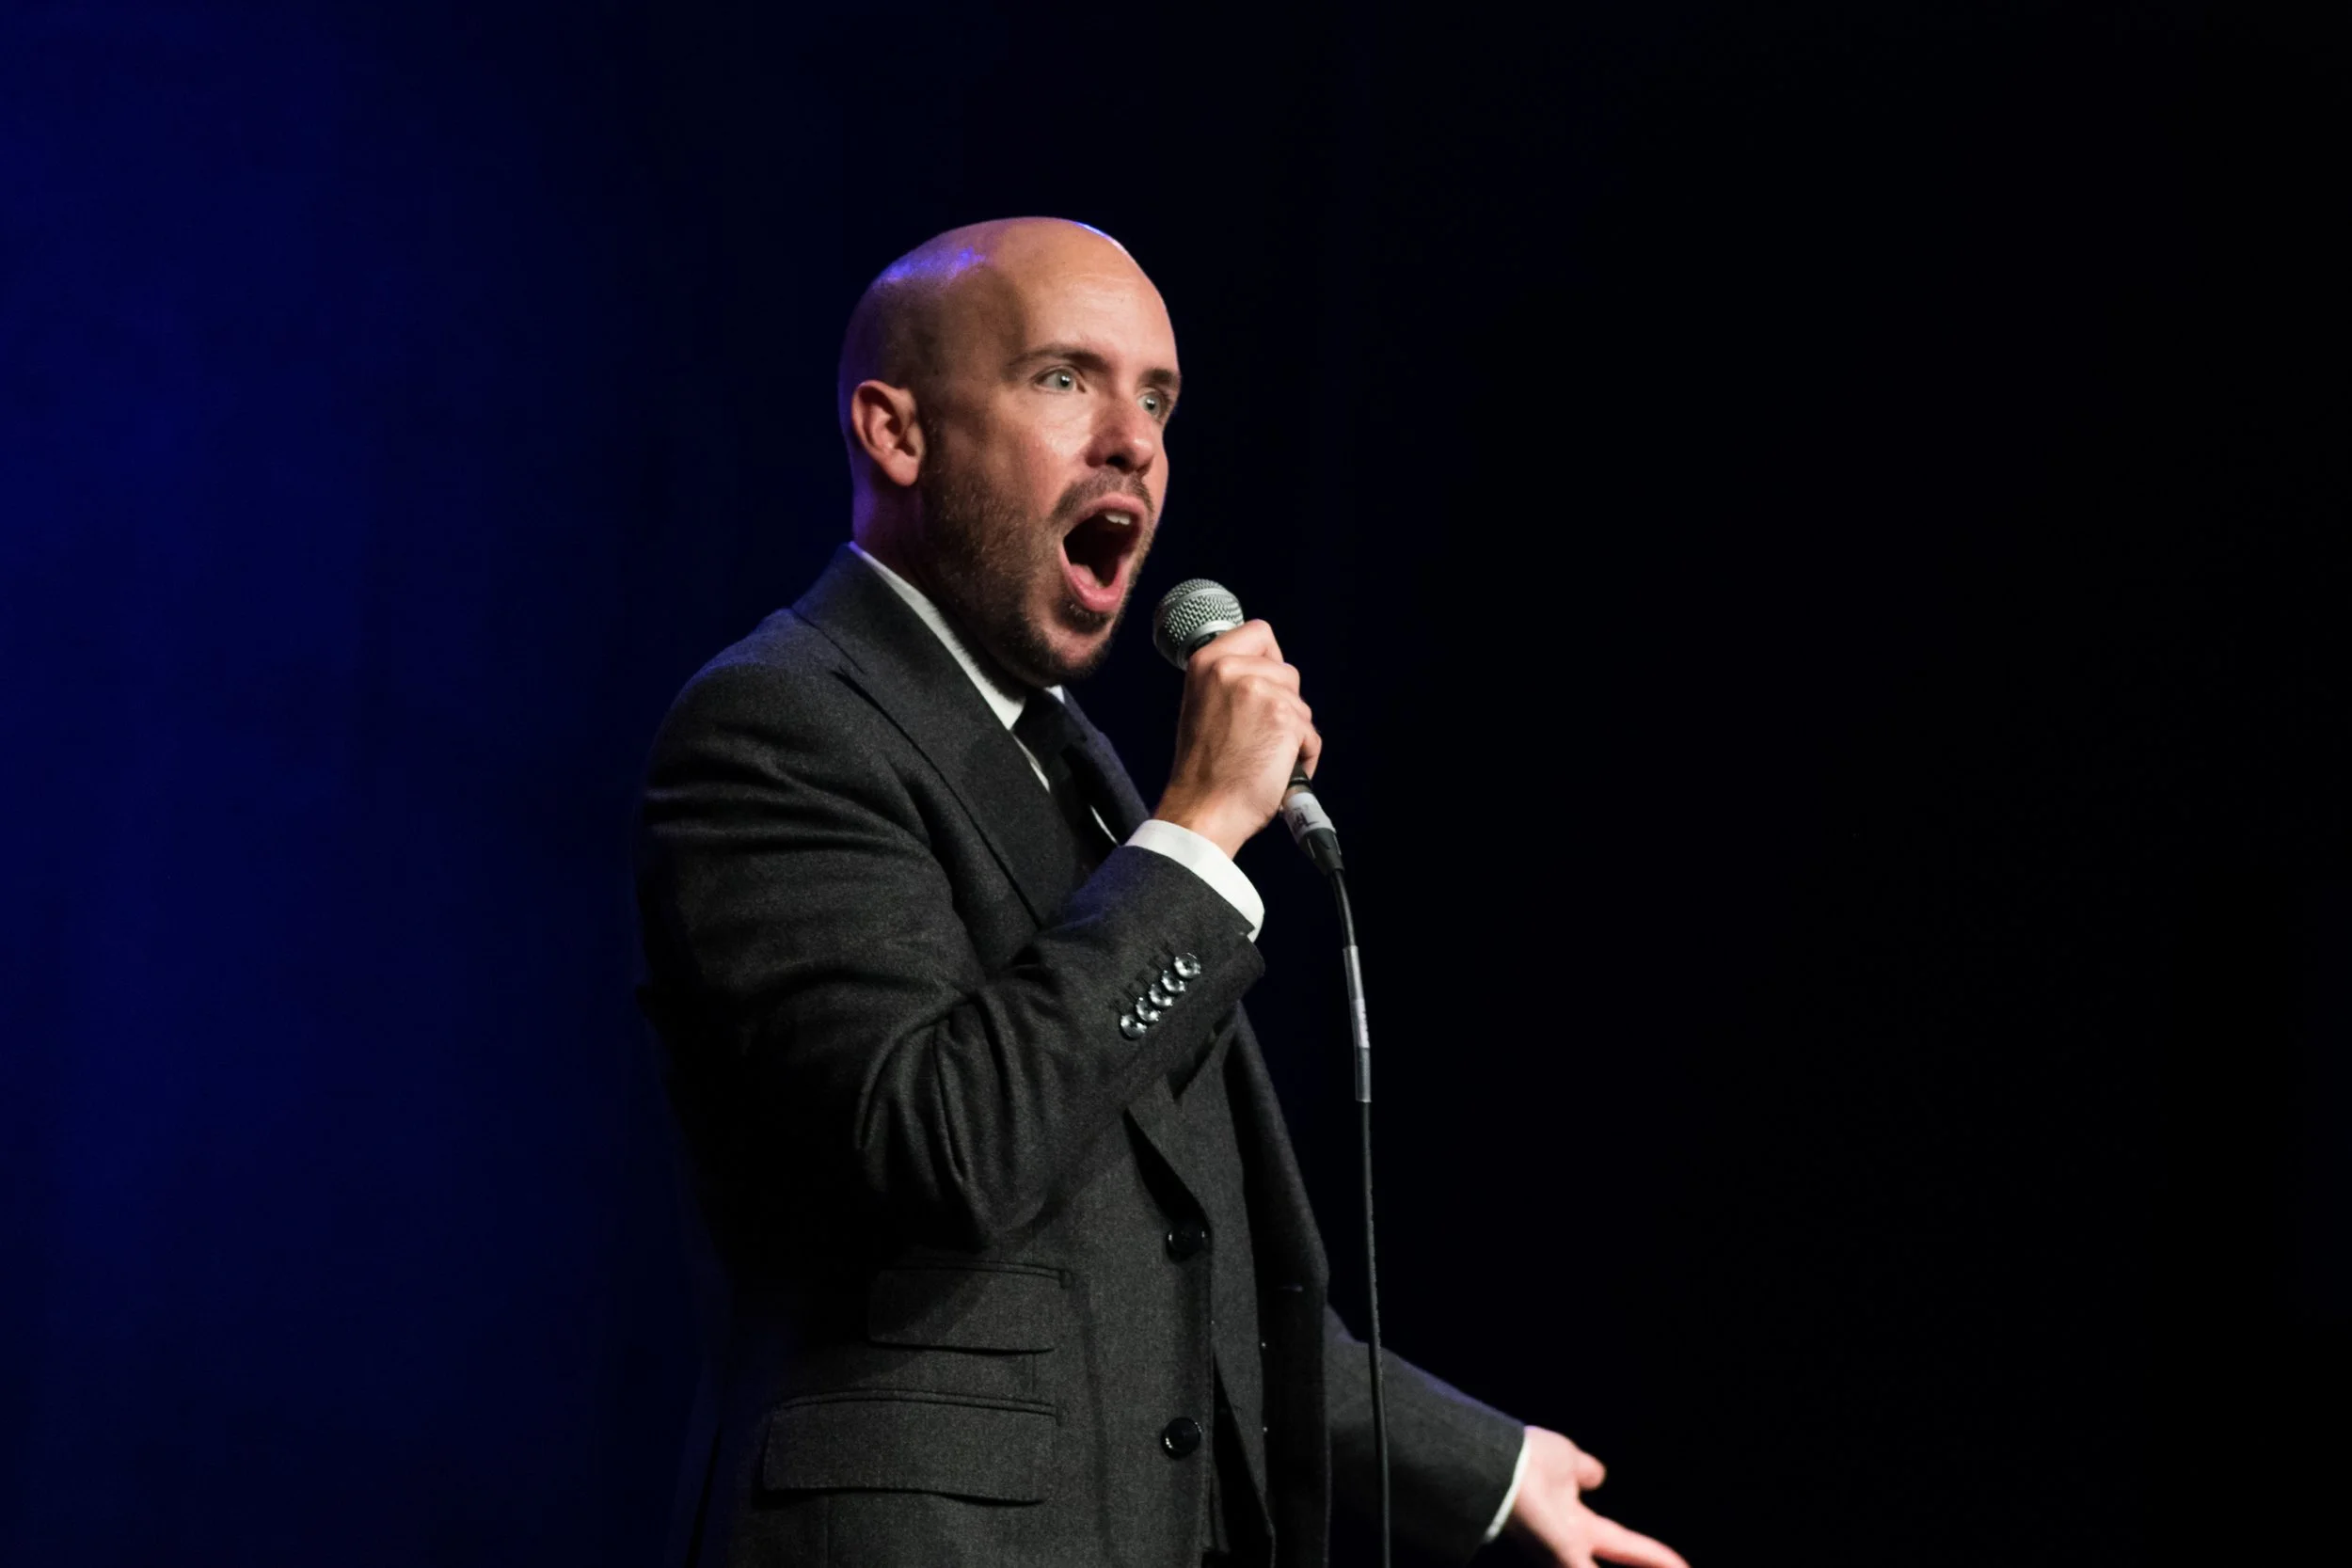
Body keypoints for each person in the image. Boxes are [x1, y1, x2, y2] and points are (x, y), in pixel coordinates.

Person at [635, 217, 1687, 1568]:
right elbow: (938, 1140)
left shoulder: (1071, 762)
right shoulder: (779, 723)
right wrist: (1193, 839)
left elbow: (1186, 1273)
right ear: (897, 434)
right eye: (1066, 379)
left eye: (1157, 397)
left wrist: (1486, 1468)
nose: (1133, 439)